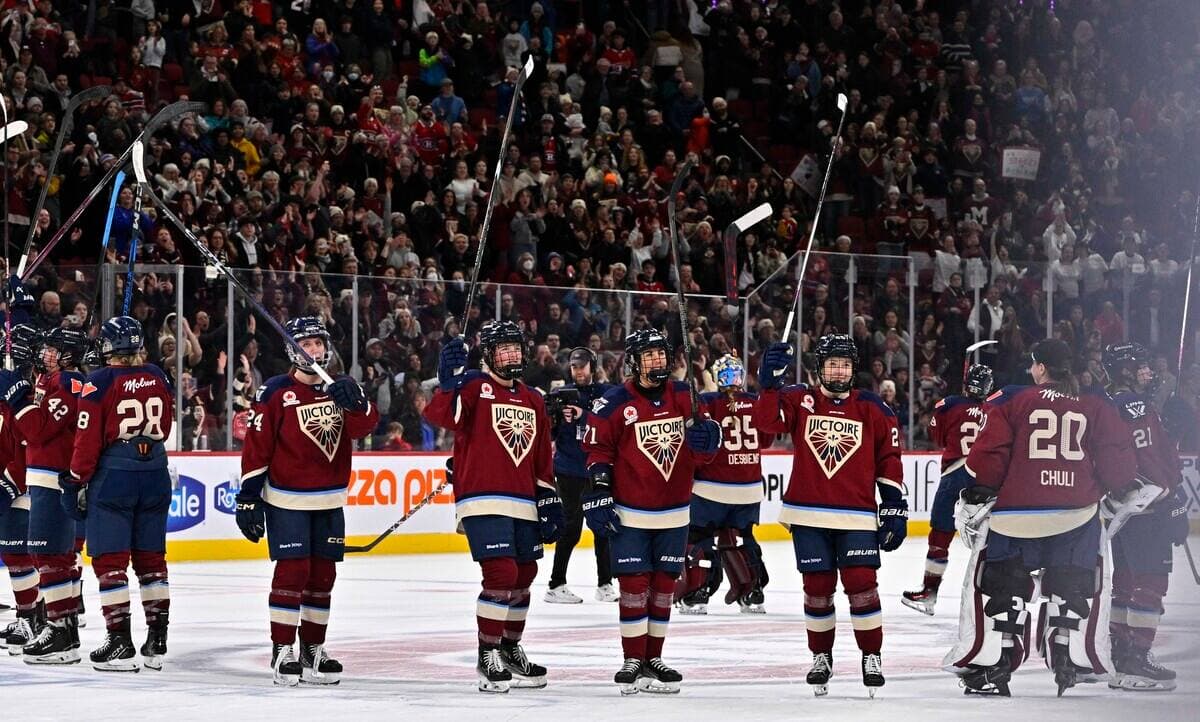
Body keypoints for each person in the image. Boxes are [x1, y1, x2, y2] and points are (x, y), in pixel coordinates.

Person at [947, 339, 1137, 697]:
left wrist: (980, 491)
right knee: (1071, 587)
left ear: (1041, 368)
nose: (1030, 369)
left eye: (1033, 364)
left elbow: (987, 458)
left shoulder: (1012, 399)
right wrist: (1111, 487)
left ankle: (996, 663)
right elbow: (1118, 465)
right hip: (1075, 516)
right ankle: (1067, 657)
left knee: (1004, 587)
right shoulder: (1094, 403)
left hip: (1015, 516)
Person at [752, 333, 905, 698]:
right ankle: (821, 656)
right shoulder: (800, 399)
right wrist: (768, 385)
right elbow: (767, 424)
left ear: (854, 369)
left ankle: (871, 655)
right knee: (817, 589)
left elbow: (889, 458)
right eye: (833, 364)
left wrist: (894, 506)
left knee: (862, 585)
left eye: (845, 365)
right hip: (808, 514)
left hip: (856, 515)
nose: (839, 371)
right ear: (820, 368)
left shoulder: (872, 407)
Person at [237, 316, 378, 686]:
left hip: (330, 499)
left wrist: (358, 403)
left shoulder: (342, 387)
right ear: (292, 350)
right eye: (305, 344)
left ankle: (313, 648)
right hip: (287, 500)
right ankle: (282, 648)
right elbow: (257, 448)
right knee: (293, 572)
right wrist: (248, 498)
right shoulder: (274, 392)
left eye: (318, 343)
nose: (313, 350)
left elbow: (365, 427)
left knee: (323, 576)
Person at [424, 320, 561, 694]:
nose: (512, 355)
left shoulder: (533, 398)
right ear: (488, 355)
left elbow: (541, 457)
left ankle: (510, 648)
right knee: (501, 573)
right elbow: (442, 417)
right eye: (504, 349)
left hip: (523, 500)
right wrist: (448, 382)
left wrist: (549, 498)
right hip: (482, 497)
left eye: (516, 348)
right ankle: (487, 654)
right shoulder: (473, 385)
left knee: (525, 572)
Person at [582, 328, 722, 695]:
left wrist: (709, 440)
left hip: (675, 510)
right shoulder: (613, 402)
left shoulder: (685, 395)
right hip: (631, 512)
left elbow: (704, 450)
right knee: (633, 585)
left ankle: (653, 657)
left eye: (661, 354)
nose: (657, 360)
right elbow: (598, 452)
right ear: (634, 361)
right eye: (649, 355)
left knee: (663, 587)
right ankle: (632, 658)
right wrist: (599, 492)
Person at [60, 317, 176, 672]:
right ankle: (157, 639)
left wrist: (75, 479)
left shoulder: (98, 381)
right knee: (152, 561)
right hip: (156, 472)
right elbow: (166, 424)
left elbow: (87, 440)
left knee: (110, 562)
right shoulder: (157, 374)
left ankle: (120, 642)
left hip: (115, 477)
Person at [1, 327, 90, 663]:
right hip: (43, 476)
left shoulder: (69, 382)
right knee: (51, 556)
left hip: (54, 478)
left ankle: (60, 634)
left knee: (50, 555)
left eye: (53, 349)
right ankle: (61, 628)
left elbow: (37, 430)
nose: (45, 353)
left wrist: (17, 399)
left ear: (69, 354)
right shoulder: (51, 380)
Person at [1102, 343, 1188, 691]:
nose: (1148, 371)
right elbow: (1150, 456)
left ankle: (1121, 655)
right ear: (1125, 369)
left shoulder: (1108, 401)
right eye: (1141, 365)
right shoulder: (1134, 405)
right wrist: (1172, 493)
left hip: (1122, 510)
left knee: (1125, 580)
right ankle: (1137, 657)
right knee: (1151, 582)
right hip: (1148, 505)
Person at [676, 354, 775, 615]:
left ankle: (697, 592)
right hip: (750, 488)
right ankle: (753, 592)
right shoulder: (756, 401)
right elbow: (767, 440)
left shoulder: (707, 402)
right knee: (741, 538)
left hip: (711, 487)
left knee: (699, 538)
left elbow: (696, 440)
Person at [902, 363, 993, 615]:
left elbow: (937, 436)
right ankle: (991, 594)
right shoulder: (994, 408)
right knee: (989, 537)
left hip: (955, 473)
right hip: (986, 476)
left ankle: (929, 592)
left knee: (940, 534)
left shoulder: (949, 404)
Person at [544, 347, 616, 604]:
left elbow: (610, 428)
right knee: (571, 529)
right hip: (568, 472)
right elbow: (550, 435)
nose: (578, 371)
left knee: (603, 529)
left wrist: (583, 415)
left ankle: (605, 583)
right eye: (574, 367)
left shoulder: (607, 393)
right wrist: (552, 418)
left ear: (592, 367)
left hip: (597, 469)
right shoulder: (560, 395)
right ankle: (556, 584)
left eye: (582, 366)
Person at [0, 326, 38, 656]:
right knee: (13, 552)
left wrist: (11, 483)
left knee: (18, 551)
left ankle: (31, 618)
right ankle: (29, 616)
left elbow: (26, 447)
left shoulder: (22, 395)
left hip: (23, 485)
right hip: (8, 479)